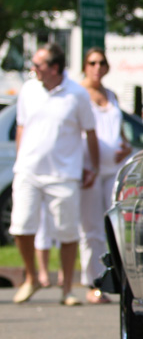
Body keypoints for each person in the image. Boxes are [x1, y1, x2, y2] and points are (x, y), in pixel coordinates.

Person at [10, 43, 100, 305]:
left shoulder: (76, 94)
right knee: (20, 226)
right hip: (28, 171)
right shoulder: (28, 90)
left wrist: (92, 166)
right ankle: (32, 277)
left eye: (38, 65)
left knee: (67, 232)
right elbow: (21, 127)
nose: (33, 69)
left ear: (55, 68)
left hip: (63, 173)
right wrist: (20, 158)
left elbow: (90, 132)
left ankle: (67, 289)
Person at [78, 47, 133, 303]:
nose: (97, 67)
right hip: (89, 169)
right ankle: (93, 282)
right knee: (91, 228)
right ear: (85, 66)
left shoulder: (110, 94)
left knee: (113, 226)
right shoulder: (79, 94)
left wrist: (125, 146)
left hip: (112, 169)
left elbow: (118, 129)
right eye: (92, 63)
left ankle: (114, 279)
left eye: (101, 62)